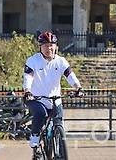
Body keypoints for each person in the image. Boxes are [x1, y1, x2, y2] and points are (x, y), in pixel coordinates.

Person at [22, 31, 83, 159]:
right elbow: (28, 77)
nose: (48, 48)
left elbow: (70, 75)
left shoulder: (61, 61)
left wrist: (78, 87)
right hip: (35, 98)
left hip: (55, 99)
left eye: (51, 45)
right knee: (41, 114)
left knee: (59, 123)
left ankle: (59, 145)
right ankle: (35, 139)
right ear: (40, 47)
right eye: (45, 45)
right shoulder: (33, 60)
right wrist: (27, 91)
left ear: (56, 46)